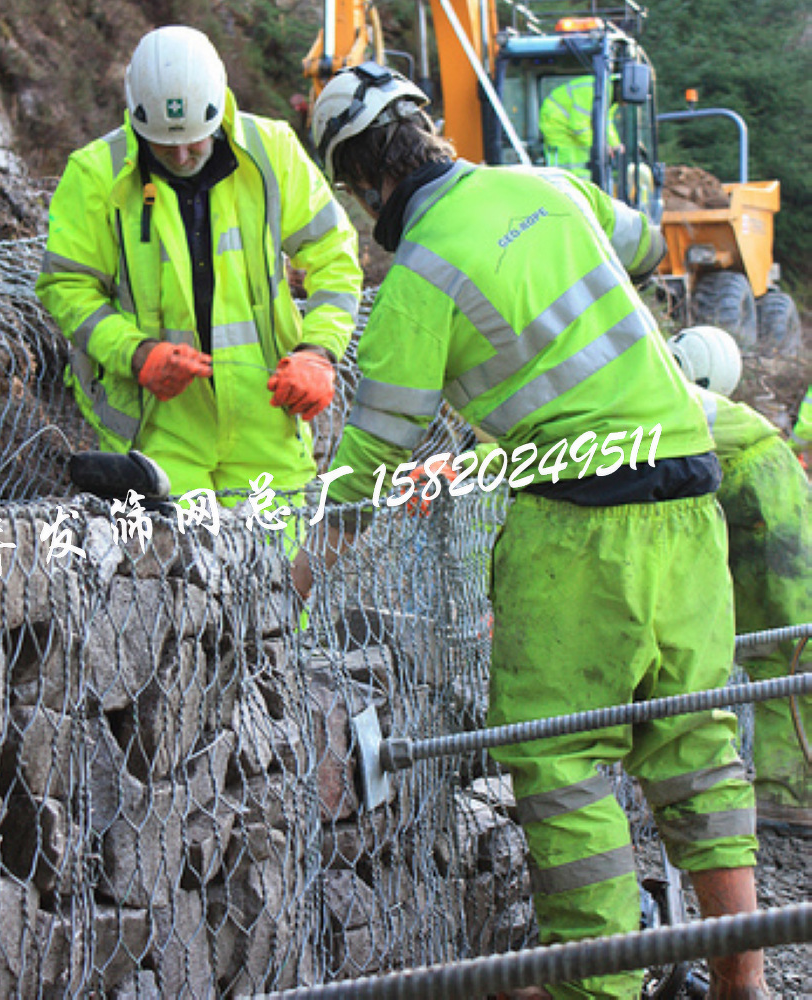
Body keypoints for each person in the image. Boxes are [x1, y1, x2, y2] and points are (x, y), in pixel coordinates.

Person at [297, 62, 765, 998]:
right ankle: (742, 982)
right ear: (427, 132)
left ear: (366, 185)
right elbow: (638, 241)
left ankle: (596, 987)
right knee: (697, 746)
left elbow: (372, 456)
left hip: (580, 523)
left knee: (561, 756)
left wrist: (306, 570)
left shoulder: (421, 274)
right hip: (689, 492)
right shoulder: (551, 187)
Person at [36, 25, 362, 503]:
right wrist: (135, 352)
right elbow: (66, 286)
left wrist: (319, 352)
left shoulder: (273, 153)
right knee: (172, 571)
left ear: (220, 105)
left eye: (195, 140)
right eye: (165, 146)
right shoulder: (95, 174)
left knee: (281, 570)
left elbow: (335, 257)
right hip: (156, 434)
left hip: (266, 424)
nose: (183, 155)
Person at [669, 326, 811, 830]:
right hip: (764, 501)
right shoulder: (701, 408)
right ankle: (787, 792)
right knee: (778, 653)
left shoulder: (669, 398)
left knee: (790, 649)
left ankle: (792, 791)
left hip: (763, 505)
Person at [539, 75, 622, 179]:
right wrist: (603, 146)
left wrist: (615, 145)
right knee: (566, 169)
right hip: (558, 126)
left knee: (582, 167)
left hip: (569, 129)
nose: (626, 104)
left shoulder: (607, 96)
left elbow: (606, 123)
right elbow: (578, 127)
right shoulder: (591, 90)